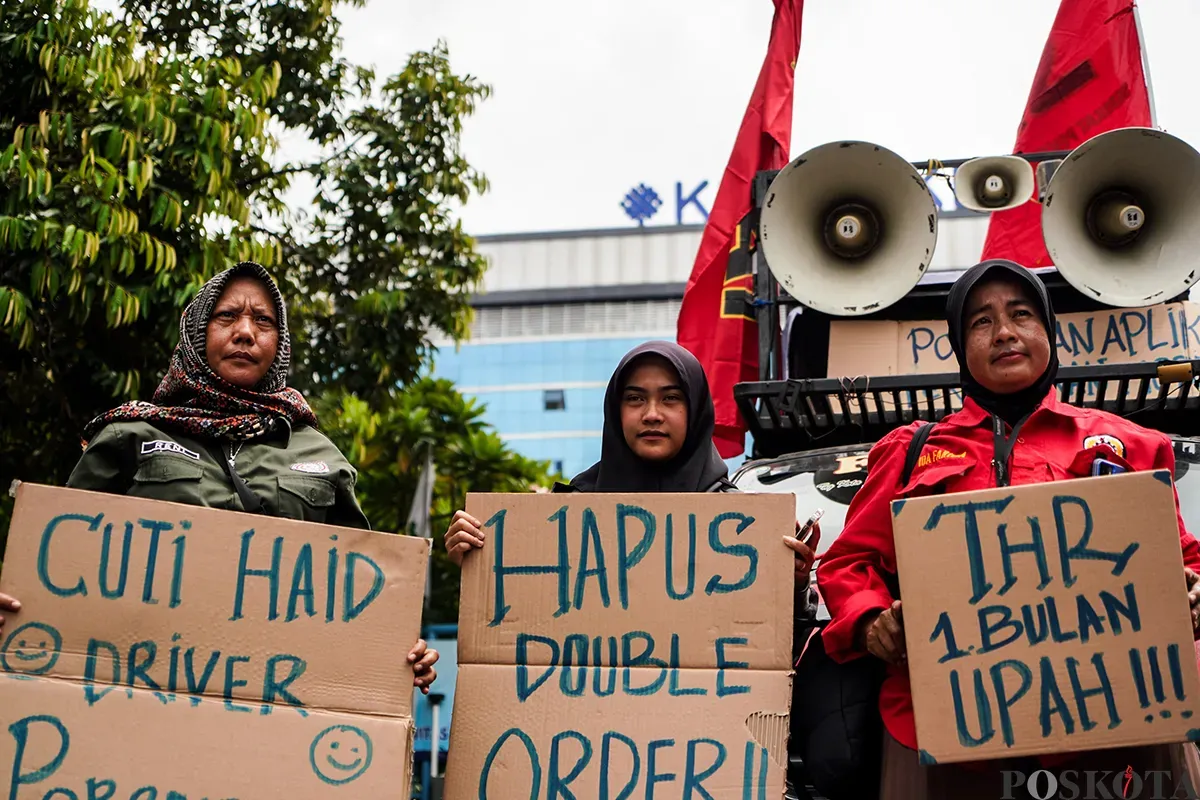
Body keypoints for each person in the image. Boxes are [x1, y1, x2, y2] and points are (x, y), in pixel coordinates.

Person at [816, 259, 1200, 797]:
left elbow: (1186, 560)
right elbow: (846, 564)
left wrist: (1190, 592)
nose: (1004, 333)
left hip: (1114, 745)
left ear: (1048, 332)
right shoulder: (911, 451)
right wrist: (870, 619)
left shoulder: (1132, 445)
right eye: (981, 322)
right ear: (960, 346)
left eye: (1022, 315)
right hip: (941, 739)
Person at [0, 263, 438, 693]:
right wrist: (19, 607)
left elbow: (356, 594)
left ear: (279, 342)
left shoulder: (322, 456)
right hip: (140, 695)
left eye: (263, 321)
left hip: (278, 708)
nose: (245, 332)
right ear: (196, 333)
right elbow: (60, 564)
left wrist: (399, 654)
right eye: (226, 316)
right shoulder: (130, 436)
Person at [443, 340, 818, 584]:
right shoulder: (568, 515)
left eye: (671, 399)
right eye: (635, 399)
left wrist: (792, 584)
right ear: (614, 411)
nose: (652, 414)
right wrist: (480, 563)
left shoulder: (742, 528)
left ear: (697, 411)